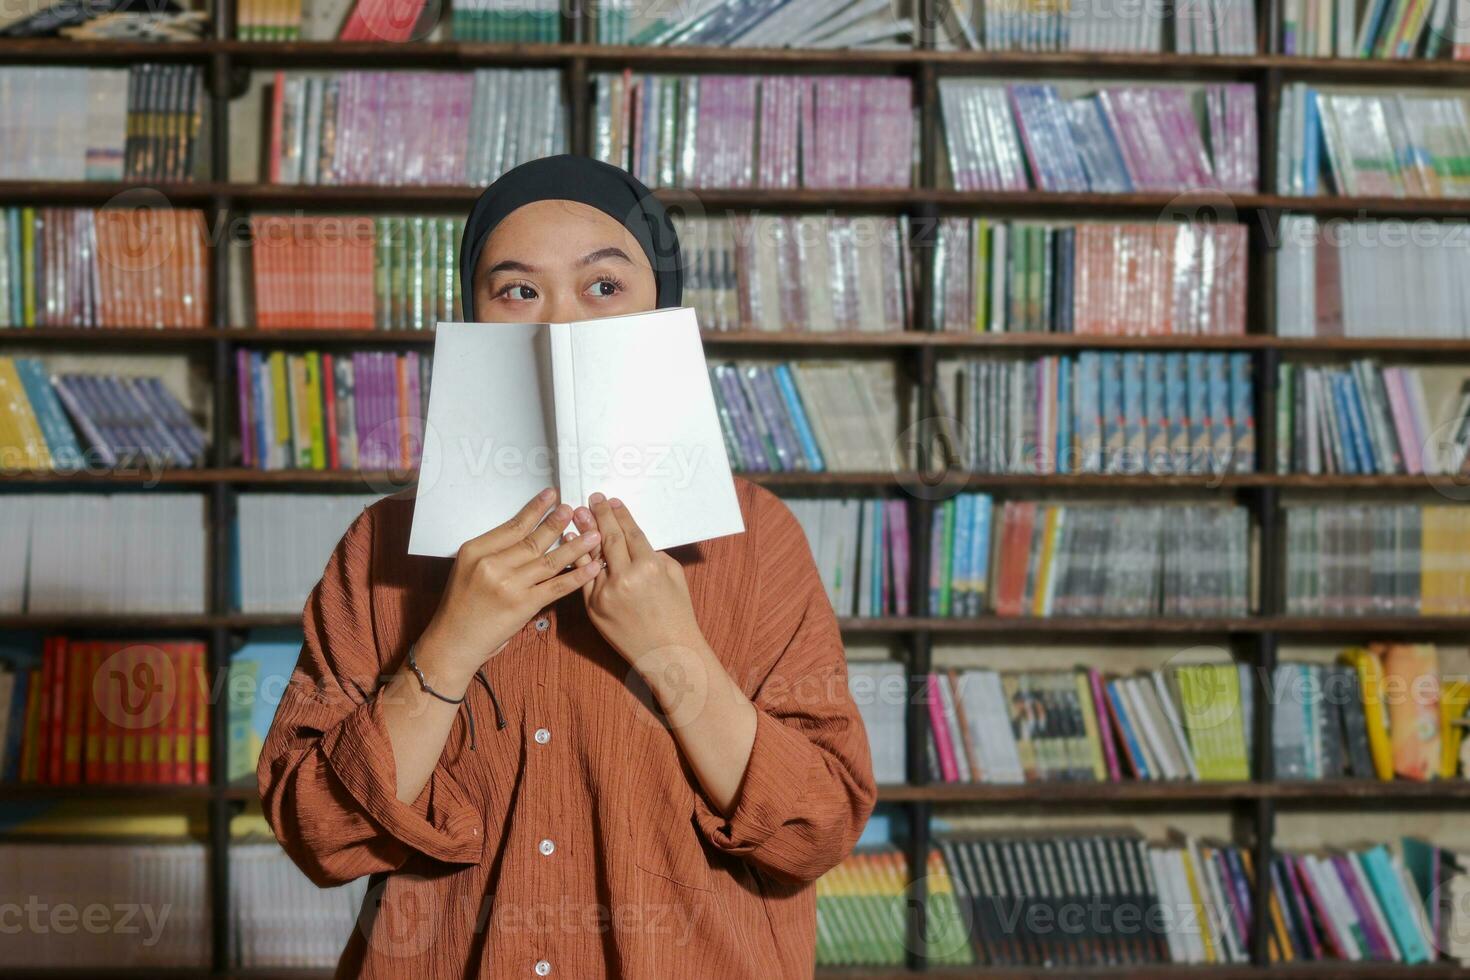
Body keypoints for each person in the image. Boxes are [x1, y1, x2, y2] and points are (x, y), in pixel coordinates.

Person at [258, 155, 877, 979]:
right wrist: (448, 647)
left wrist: (674, 653)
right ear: (471, 318)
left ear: (663, 309)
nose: (560, 327)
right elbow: (317, 833)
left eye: (604, 288)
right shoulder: (382, 547)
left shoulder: (756, 539)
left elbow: (818, 828)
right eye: (516, 291)